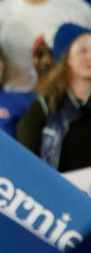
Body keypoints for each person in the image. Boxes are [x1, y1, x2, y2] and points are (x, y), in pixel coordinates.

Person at [17, 23, 91, 171]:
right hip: (60, 191)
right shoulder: (43, 109)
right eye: (83, 51)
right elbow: (25, 164)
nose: (90, 56)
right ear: (65, 57)